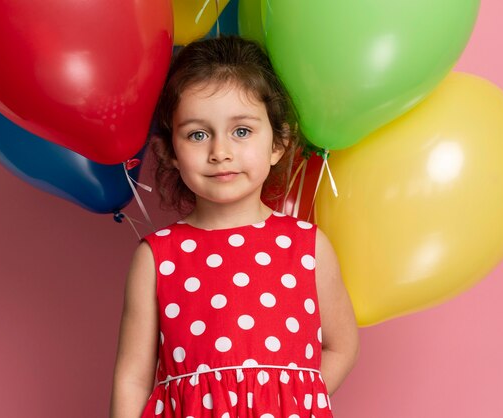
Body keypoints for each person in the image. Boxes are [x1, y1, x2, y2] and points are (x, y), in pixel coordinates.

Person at [110, 35, 359, 418]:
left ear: (279, 142)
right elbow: (132, 377)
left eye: (241, 131)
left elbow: (341, 346)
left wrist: (291, 402)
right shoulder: (157, 257)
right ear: (170, 153)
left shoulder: (307, 247)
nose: (220, 151)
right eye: (198, 134)